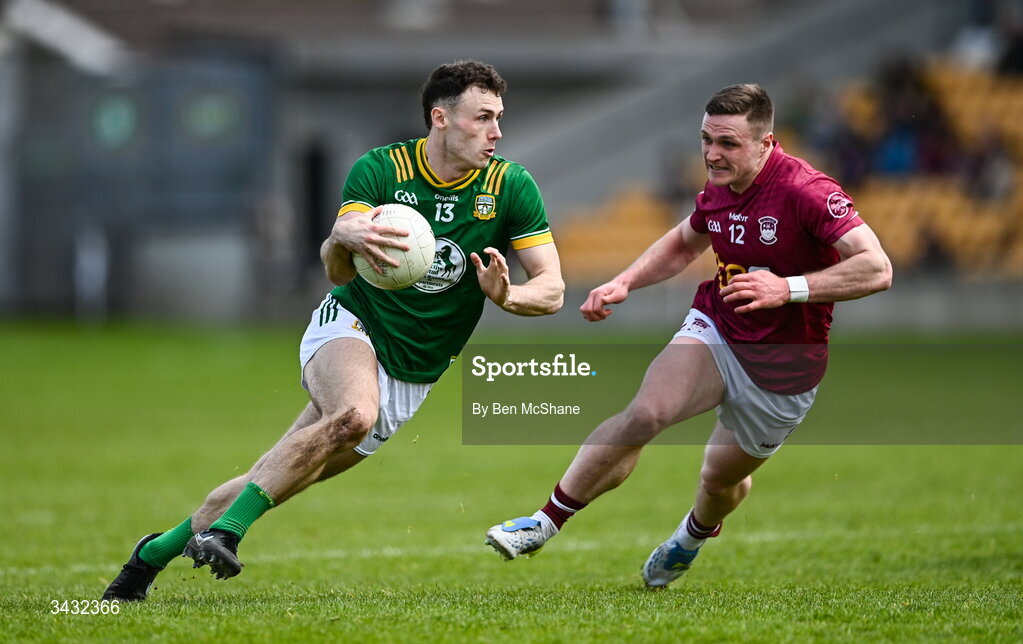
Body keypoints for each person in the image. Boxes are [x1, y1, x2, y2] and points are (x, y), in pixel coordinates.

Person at [103, 60, 564, 601]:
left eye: (499, 119)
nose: (496, 132)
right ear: (440, 118)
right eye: (482, 118)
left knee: (275, 475)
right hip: (351, 326)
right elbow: (339, 270)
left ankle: (149, 556)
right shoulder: (381, 170)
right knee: (352, 415)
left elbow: (551, 289)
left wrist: (507, 295)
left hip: (415, 373)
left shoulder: (509, 186)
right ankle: (228, 533)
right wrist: (338, 237)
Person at [484, 83, 892, 588]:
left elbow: (877, 268)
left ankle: (694, 534)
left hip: (785, 367)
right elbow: (684, 242)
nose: (712, 155)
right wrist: (624, 281)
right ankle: (543, 521)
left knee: (720, 480)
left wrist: (787, 287)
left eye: (728, 144)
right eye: (706, 139)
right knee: (647, 413)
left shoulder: (808, 192)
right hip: (718, 328)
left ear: (765, 144)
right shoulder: (720, 186)